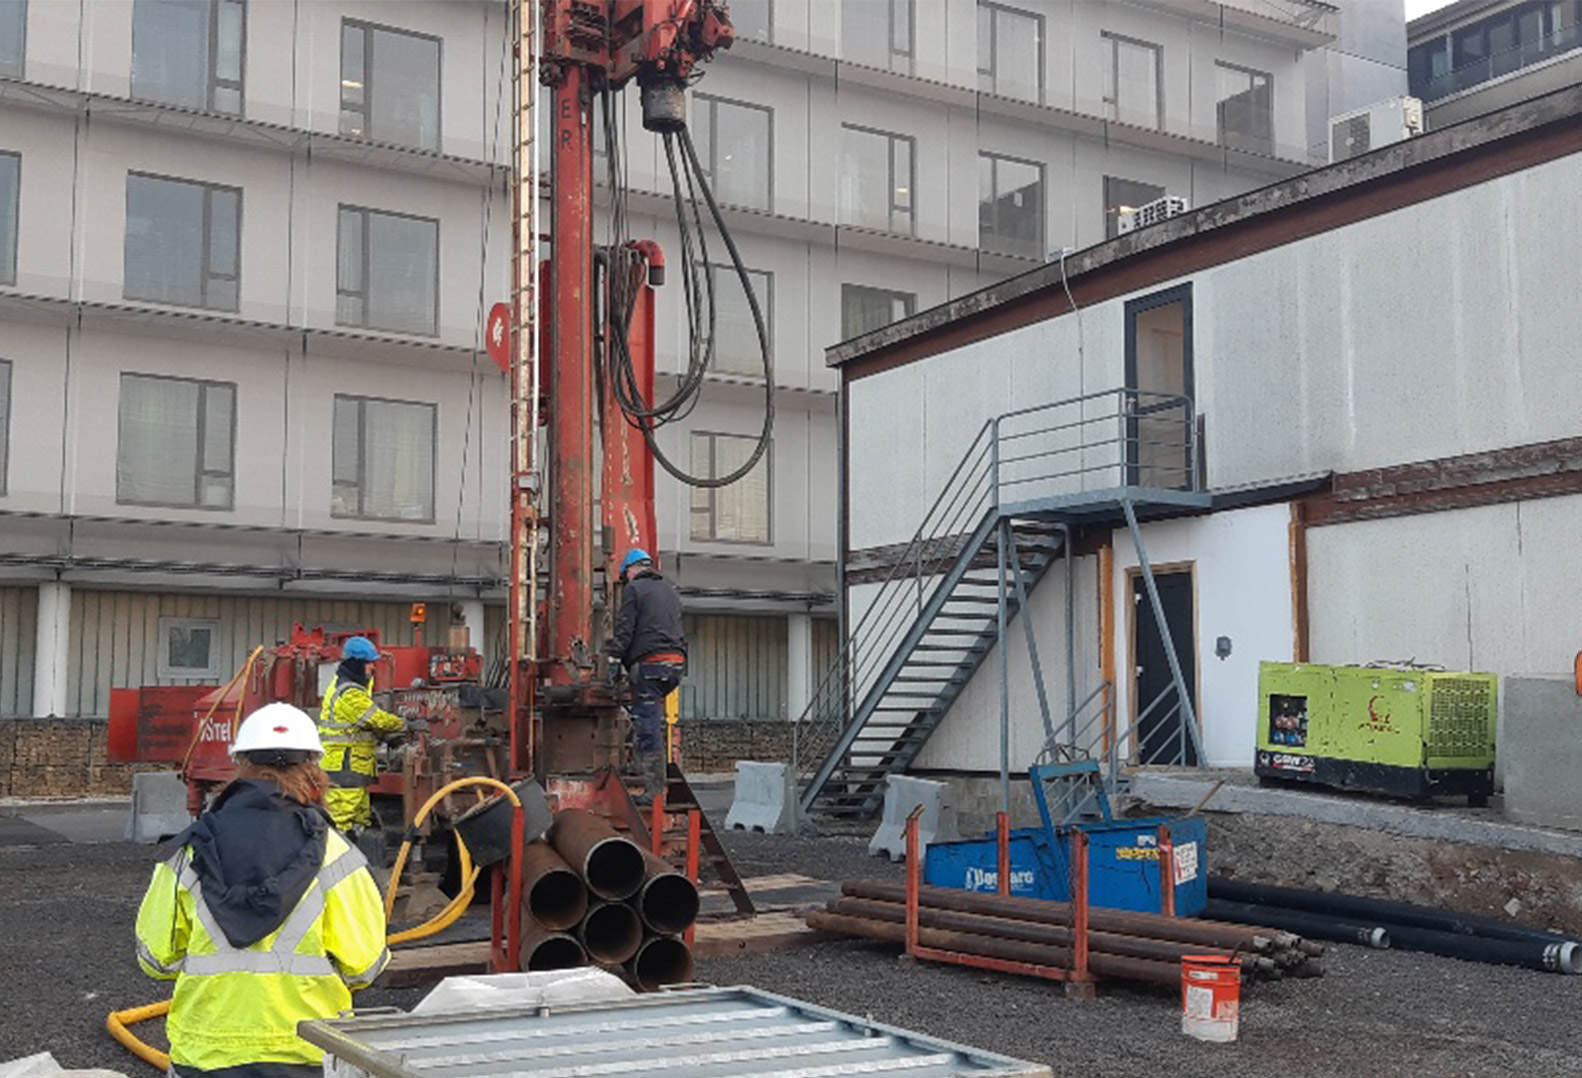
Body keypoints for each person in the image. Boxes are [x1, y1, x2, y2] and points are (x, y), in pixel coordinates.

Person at [134, 703, 389, 1077]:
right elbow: (364, 966)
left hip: (206, 1054)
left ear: (238, 764)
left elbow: (155, 959)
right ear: (315, 767)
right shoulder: (337, 856)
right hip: (309, 1053)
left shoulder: (188, 850)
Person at [606, 548, 687, 802]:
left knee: (648, 723)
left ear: (631, 569)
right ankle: (640, 768)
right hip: (676, 666)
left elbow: (625, 629)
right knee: (645, 716)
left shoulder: (635, 589)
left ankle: (654, 791)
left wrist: (613, 659)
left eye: (625, 575)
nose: (626, 580)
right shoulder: (670, 590)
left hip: (651, 664)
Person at [317, 636, 405, 835]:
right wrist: (403, 724)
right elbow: (375, 718)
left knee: (359, 821)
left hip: (351, 769)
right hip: (345, 767)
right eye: (368, 664)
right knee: (339, 823)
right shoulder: (349, 693)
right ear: (356, 665)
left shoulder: (342, 685)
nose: (372, 669)